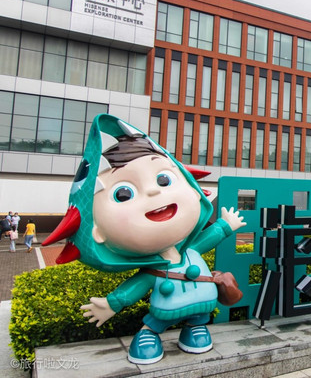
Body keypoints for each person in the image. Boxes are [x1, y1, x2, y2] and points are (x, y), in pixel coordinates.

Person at [42, 114, 246, 365]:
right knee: (156, 324)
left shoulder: (190, 250)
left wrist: (226, 225)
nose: (153, 191)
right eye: (123, 194)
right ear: (97, 232)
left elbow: (209, 237)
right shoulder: (154, 269)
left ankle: (195, 329)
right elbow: (134, 288)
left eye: (164, 179)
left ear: (194, 192)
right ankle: (149, 333)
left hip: (201, 306)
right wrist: (111, 304)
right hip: (164, 310)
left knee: (198, 323)